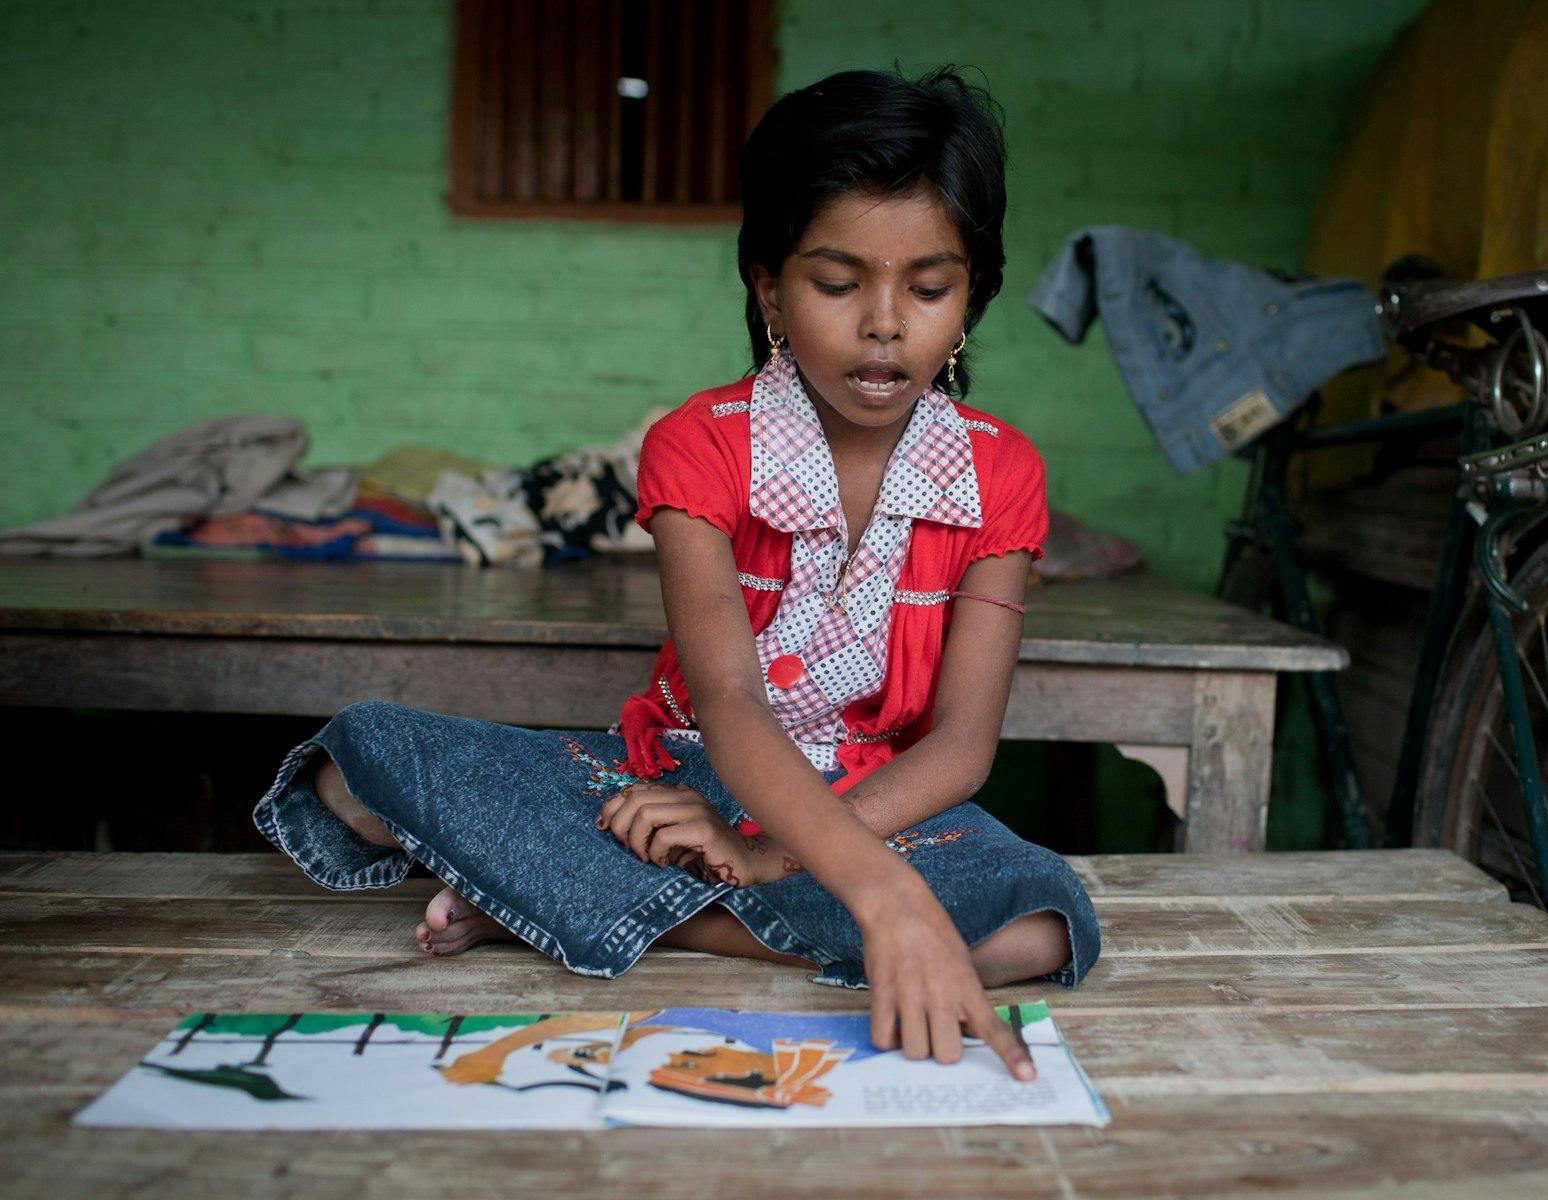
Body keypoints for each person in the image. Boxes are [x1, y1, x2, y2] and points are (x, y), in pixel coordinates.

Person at [252, 66, 1100, 1080]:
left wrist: (783, 856)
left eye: (928, 287)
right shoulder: (701, 443)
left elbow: (960, 747)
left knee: (1037, 930)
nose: (884, 322)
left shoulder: (1000, 471)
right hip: (683, 779)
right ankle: (657, 894)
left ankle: (548, 904)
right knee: (363, 759)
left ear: (970, 301)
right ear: (769, 286)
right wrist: (879, 901)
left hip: (884, 799)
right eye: (838, 282)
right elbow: (730, 700)